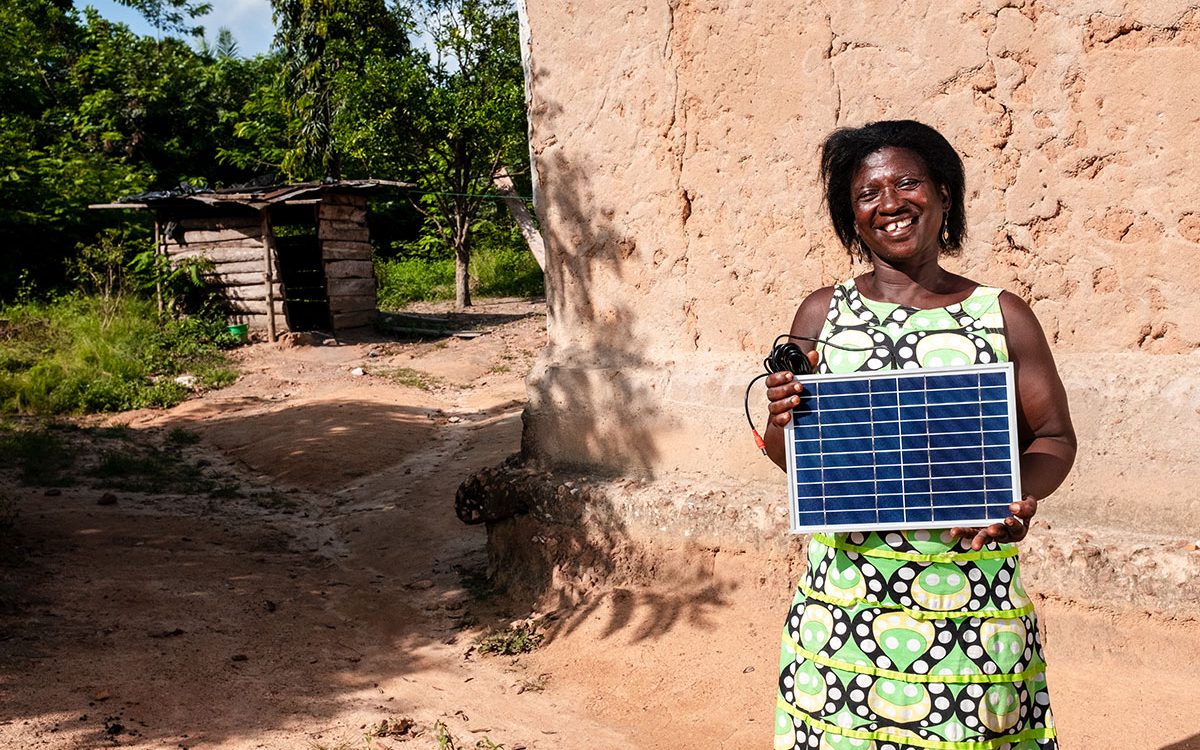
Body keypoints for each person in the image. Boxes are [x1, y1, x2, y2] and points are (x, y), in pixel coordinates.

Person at [763, 120, 1076, 750]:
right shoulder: (822, 315)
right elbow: (791, 455)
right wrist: (780, 416)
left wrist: (1016, 499)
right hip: (843, 604)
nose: (890, 204)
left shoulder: (1002, 315)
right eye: (867, 194)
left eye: (907, 183)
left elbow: (1054, 436)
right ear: (850, 216)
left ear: (943, 194)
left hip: (969, 600)